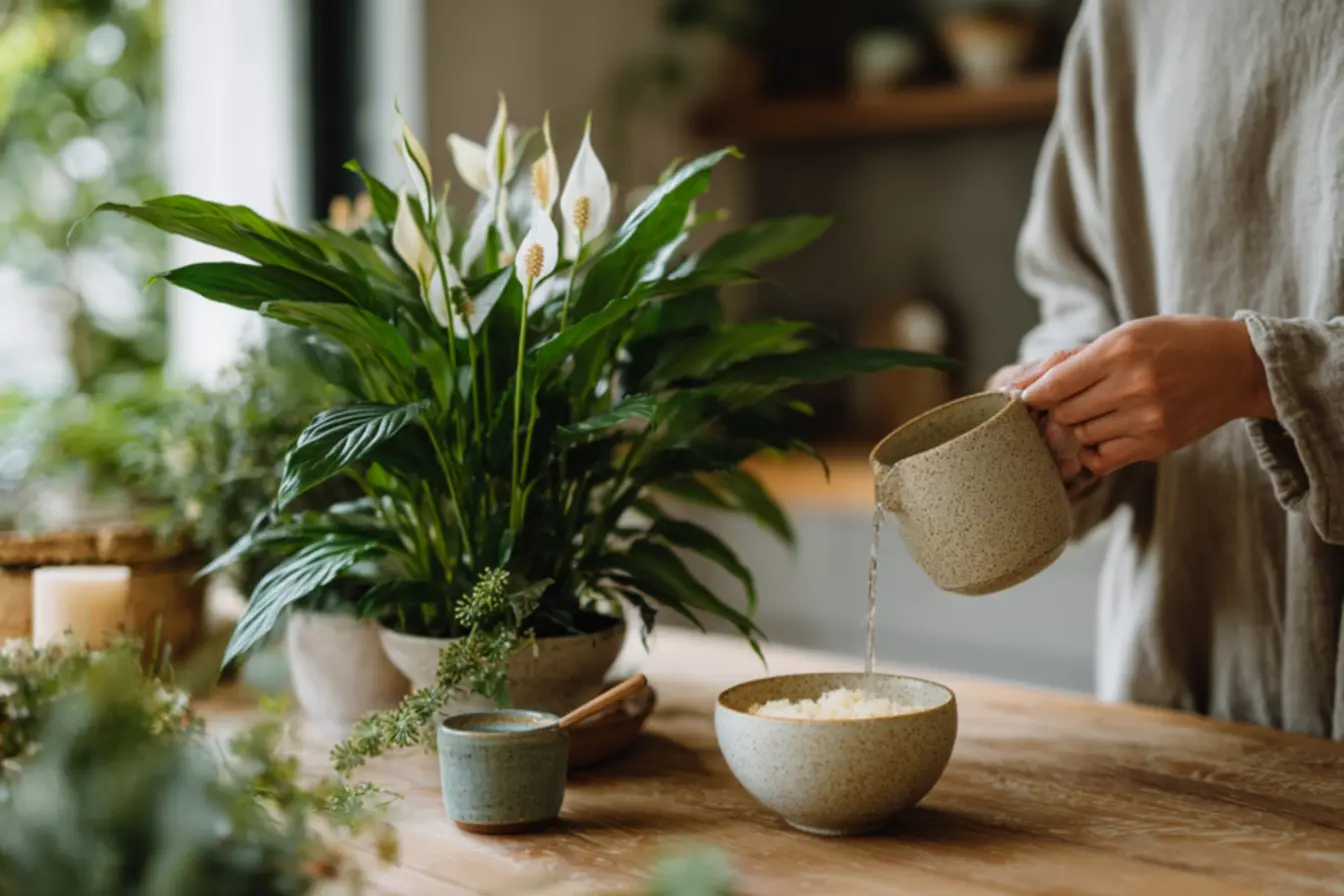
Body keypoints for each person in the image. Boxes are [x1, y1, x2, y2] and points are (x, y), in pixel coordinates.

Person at [988, 0, 1344, 738]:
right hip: (1178, 676)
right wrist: (1055, 405)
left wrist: (1259, 373)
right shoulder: (1126, 18)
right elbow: (1078, 286)